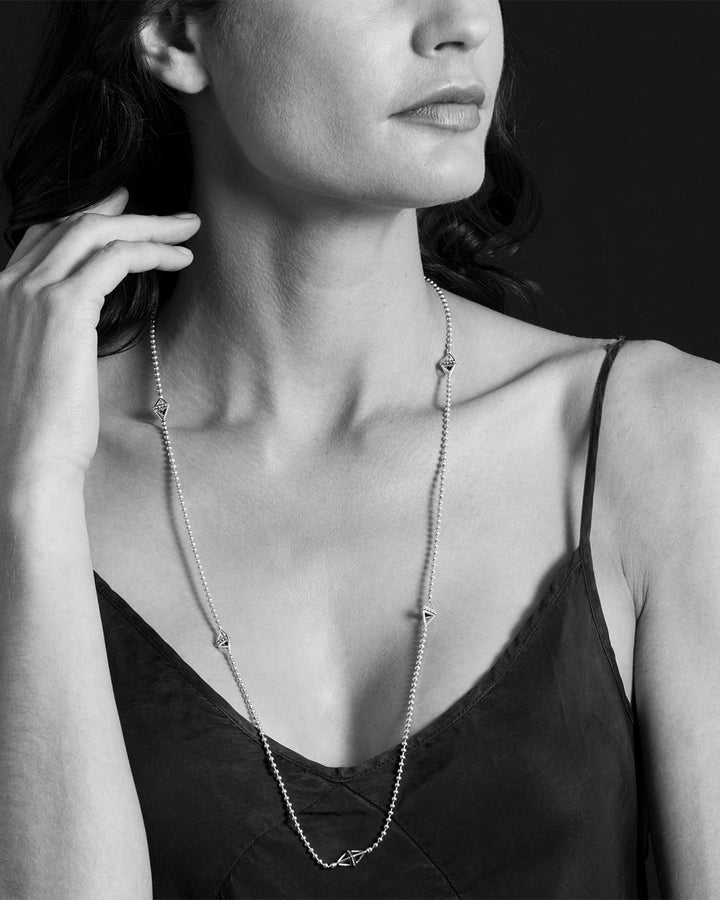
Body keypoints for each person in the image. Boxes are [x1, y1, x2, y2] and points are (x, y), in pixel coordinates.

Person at [1, 1, 718, 897]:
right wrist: (32, 494)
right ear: (177, 34)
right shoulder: (32, 470)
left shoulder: (665, 443)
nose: (460, 25)